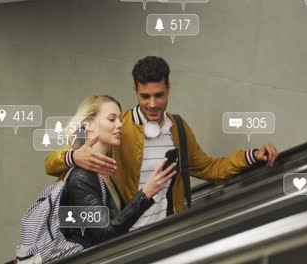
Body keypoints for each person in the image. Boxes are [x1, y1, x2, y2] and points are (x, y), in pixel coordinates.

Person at [46, 56, 279, 230]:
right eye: (145, 96)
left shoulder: (178, 128)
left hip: (164, 234)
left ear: (168, 88)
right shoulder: (117, 127)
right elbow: (50, 163)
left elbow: (209, 168)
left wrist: (251, 156)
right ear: (135, 91)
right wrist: (72, 156)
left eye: (159, 95)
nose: (153, 104)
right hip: (124, 236)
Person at [60, 95, 177, 247]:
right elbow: (105, 234)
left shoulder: (104, 173)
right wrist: (145, 194)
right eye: (111, 119)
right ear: (89, 125)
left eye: (120, 119)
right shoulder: (81, 177)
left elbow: (116, 224)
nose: (120, 125)